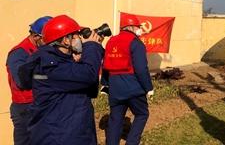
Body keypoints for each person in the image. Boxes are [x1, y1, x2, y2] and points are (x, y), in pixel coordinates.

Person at [18, 15, 104, 145]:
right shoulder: (49, 66)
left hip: (69, 133)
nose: (80, 39)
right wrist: (92, 46)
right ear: (65, 40)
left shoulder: (59, 63)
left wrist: (81, 59)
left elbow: (89, 88)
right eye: (76, 36)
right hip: (59, 137)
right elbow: (89, 75)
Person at [102, 13, 153, 145]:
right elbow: (141, 69)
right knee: (142, 114)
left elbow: (106, 64)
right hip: (133, 87)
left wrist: (105, 84)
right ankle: (132, 142)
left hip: (115, 87)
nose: (139, 29)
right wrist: (148, 88)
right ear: (130, 27)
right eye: (137, 26)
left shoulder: (111, 41)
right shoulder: (136, 43)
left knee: (115, 119)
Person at [6, 16, 51, 145]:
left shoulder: (41, 49)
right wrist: (47, 77)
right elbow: (21, 81)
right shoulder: (19, 53)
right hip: (25, 107)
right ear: (37, 36)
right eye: (48, 39)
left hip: (40, 103)